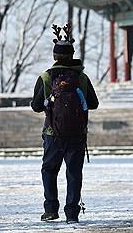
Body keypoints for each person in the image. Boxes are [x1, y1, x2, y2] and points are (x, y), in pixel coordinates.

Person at [31, 24, 99, 224]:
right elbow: (94, 104)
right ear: (72, 55)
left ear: (54, 56)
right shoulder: (82, 77)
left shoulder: (45, 77)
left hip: (53, 133)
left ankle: (51, 210)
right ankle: (72, 214)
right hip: (77, 134)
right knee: (74, 173)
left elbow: (35, 106)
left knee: (50, 170)